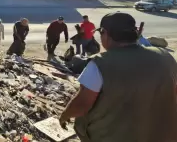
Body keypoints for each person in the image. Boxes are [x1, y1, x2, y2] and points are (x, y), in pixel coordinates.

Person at [59, 12, 177, 141]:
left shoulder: (100, 64)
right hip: (162, 134)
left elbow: (82, 105)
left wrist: (65, 115)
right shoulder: (165, 56)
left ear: (105, 33)